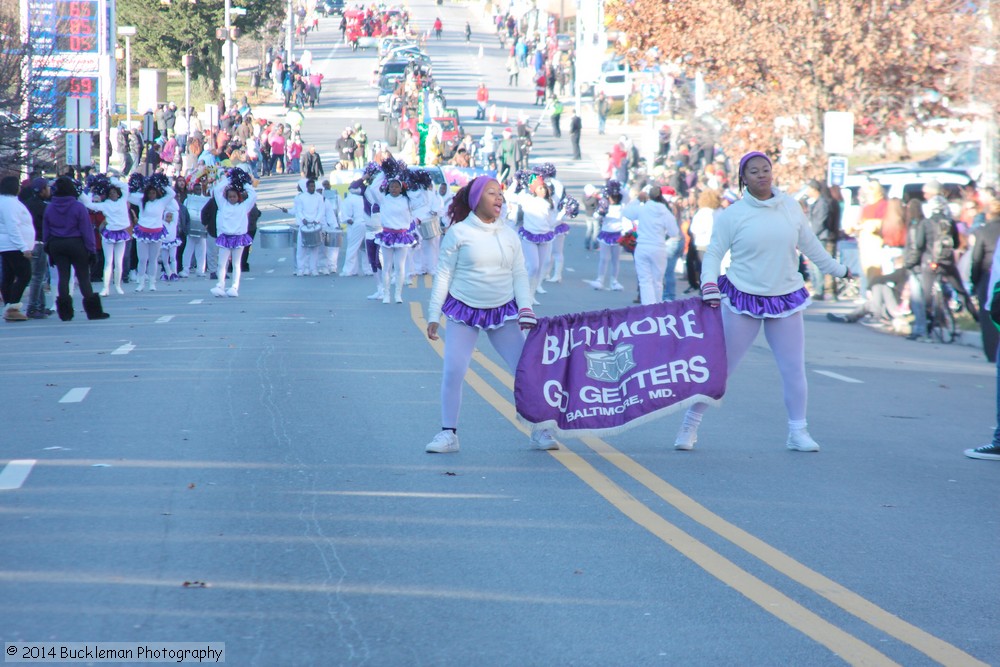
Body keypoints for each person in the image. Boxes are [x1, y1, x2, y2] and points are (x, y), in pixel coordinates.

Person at [674, 151, 850, 453]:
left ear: (773, 172)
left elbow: (811, 245)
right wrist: (709, 284)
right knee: (722, 368)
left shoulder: (790, 208)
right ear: (743, 177)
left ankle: (798, 431)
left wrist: (840, 270)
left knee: (794, 368)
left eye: (765, 169)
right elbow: (714, 252)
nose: (761, 175)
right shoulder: (733, 214)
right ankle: (690, 424)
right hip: (744, 297)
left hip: (785, 299)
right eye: (753, 171)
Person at [424, 176, 558, 453]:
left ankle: (540, 429)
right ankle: (448, 434)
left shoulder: (509, 234)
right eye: (491, 193)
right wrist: (433, 314)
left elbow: (519, 274)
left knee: (526, 370)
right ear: (476, 200)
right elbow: (443, 275)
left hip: (503, 311)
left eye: (501, 194)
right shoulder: (459, 233)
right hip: (465, 309)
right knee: (453, 371)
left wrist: (526, 309)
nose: (499, 198)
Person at [42, 177, 110, 321]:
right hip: (76, 243)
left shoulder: (50, 207)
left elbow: (46, 230)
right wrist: (91, 250)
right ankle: (93, 311)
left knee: (63, 277)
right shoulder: (78, 207)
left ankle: (65, 312)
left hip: (57, 244)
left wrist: (48, 247)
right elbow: (86, 230)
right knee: (83, 276)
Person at [366, 171, 417, 304]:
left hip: (402, 236)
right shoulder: (383, 199)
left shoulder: (407, 200)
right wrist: (384, 172)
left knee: (400, 266)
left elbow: (421, 199)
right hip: (387, 235)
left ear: (401, 188)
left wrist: (415, 179)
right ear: (388, 187)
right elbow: (372, 188)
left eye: (397, 186)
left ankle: (398, 294)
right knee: (387, 265)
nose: (394, 189)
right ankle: (386, 293)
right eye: (392, 186)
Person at [623, 185, 678, 305]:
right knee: (657, 281)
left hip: (642, 246)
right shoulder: (665, 212)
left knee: (645, 281)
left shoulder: (643, 209)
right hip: (658, 247)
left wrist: (637, 199)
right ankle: (656, 307)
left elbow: (626, 212)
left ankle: (648, 306)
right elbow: (674, 232)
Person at [507, 175, 557, 302]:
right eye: (540, 188)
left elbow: (552, 222)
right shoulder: (526, 198)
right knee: (533, 266)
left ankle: (531, 295)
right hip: (529, 235)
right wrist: (515, 182)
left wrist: (562, 215)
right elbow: (508, 196)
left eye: (544, 188)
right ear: (533, 189)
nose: (543, 190)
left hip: (545, 237)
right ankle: (523, 294)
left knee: (540, 268)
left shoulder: (550, 203)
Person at [79, 176, 131, 297]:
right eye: (111, 193)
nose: (113, 194)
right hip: (109, 234)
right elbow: (89, 204)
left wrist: (113, 181)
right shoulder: (104, 205)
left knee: (119, 262)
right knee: (109, 262)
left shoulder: (123, 201)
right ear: (107, 195)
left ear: (118, 194)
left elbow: (126, 187)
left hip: (121, 233)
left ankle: (118, 285)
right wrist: (82, 191)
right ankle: (105, 287)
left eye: (115, 192)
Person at [210, 171, 256, 297]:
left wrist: (244, 182)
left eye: (234, 197)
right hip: (225, 237)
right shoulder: (222, 205)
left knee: (236, 263)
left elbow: (253, 195)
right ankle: (220, 284)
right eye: (230, 196)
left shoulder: (244, 206)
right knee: (221, 263)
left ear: (239, 197)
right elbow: (217, 190)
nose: (232, 199)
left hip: (239, 238)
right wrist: (229, 180)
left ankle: (234, 286)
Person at [127, 175, 177, 292]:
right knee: (143, 259)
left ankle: (152, 282)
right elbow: (127, 196)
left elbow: (172, 194)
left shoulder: (161, 202)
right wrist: (133, 186)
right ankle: (141, 282)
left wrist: (162, 183)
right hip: (142, 233)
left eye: (154, 193)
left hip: (156, 233)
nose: (151, 195)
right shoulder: (141, 201)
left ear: (157, 193)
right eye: (149, 193)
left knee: (153, 259)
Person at [0, 176, 35, 322]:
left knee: (8, 276)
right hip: (13, 245)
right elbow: (12, 226)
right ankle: (13, 307)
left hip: (8, 244)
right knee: (24, 275)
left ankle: (9, 306)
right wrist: (23, 247)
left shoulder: (6, 202)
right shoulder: (9, 203)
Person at [969, 200, 1000, 361]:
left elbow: (976, 258)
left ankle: (991, 351)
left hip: (989, 276)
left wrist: (973, 280)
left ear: (988, 214)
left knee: (989, 314)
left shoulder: (984, 231)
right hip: (992, 273)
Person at [19, 178, 51, 318]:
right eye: (47, 188)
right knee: (37, 277)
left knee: (38, 276)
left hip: (28, 242)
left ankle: (40, 305)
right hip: (38, 242)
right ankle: (33, 307)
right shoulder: (43, 207)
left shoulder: (26, 205)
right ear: (42, 189)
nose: (49, 190)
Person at [588, 181, 628, 291]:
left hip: (618, 234)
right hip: (605, 233)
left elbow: (626, 193)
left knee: (615, 260)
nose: (612, 198)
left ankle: (614, 281)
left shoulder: (622, 205)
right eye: (610, 195)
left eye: (614, 196)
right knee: (604, 258)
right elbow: (595, 216)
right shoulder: (604, 205)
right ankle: (600, 279)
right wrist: (600, 212)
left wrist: (615, 186)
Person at [293, 178, 326, 277]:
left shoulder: (319, 197)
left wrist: (316, 220)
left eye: (314, 186)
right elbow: (299, 210)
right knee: (301, 249)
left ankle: (313, 269)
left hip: (315, 225)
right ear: (307, 187)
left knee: (314, 249)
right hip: (304, 226)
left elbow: (321, 210)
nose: (312, 188)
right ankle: (301, 269)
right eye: (311, 186)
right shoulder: (301, 197)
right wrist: (303, 219)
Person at [339, 180, 371, 277]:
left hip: (358, 224)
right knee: (367, 248)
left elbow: (344, 215)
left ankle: (350, 270)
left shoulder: (350, 198)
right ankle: (368, 269)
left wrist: (351, 222)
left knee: (353, 248)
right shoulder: (367, 197)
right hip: (368, 223)